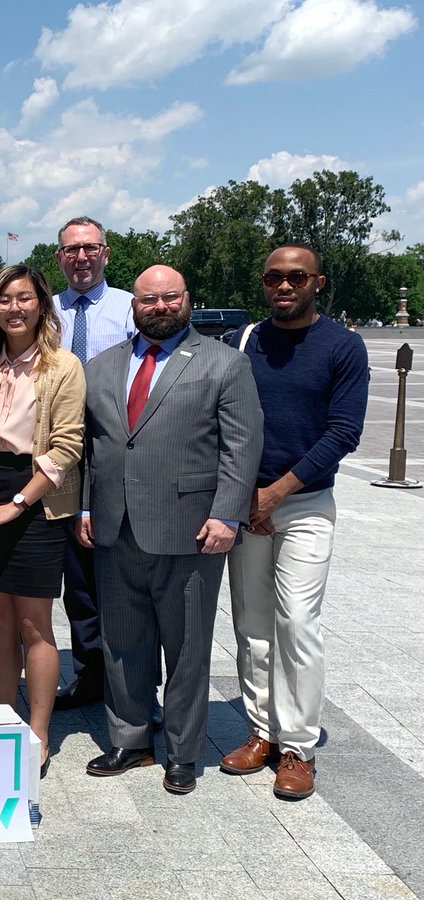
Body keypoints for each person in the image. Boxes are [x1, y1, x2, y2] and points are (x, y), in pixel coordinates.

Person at [80, 265, 262, 795]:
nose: (159, 307)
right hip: (116, 527)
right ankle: (131, 739)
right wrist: (89, 507)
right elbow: (94, 449)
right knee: (121, 641)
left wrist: (227, 514)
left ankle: (183, 751)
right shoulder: (103, 366)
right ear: (132, 306)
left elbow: (241, 446)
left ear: (187, 300)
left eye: (169, 298)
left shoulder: (225, 364)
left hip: (192, 529)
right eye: (147, 299)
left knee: (185, 648)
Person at [222, 245, 369, 800]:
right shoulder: (246, 341)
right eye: (274, 277)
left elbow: (343, 432)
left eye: (296, 277)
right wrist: (246, 498)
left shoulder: (343, 347)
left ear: (318, 282)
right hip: (248, 505)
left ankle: (298, 747)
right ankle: (262, 731)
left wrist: (277, 492)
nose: (284, 285)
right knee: (252, 626)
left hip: (305, 506)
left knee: (299, 624)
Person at [0, 264, 85, 777]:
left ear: (42, 304)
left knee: (35, 624)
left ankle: (37, 732)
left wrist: (19, 501)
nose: (15, 308)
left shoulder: (63, 366)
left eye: (24, 298)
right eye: (5, 300)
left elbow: (67, 447)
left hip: (36, 497)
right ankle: (1, 717)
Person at [51, 216, 137, 710]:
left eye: (89, 249)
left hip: (114, 454)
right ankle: (89, 673)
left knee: (118, 576)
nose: (80, 258)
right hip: (60, 457)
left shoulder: (129, 307)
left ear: (105, 253)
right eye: (70, 250)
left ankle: (129, 678)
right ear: (59, 256)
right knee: (77, 582)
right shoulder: (46, 310)